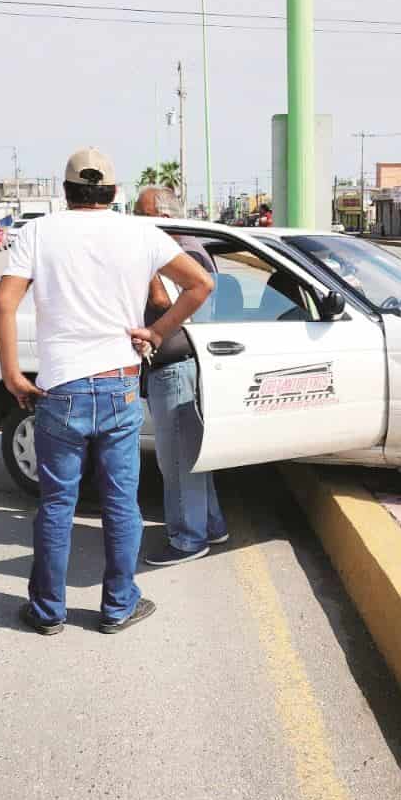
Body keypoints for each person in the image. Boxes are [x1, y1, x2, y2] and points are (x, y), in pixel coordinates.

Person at [0, 148, 213, 636]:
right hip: (120, 385)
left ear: (67, 191)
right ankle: (118, 607)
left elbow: (3, 301)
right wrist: (156, 334)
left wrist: (11, 373)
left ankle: (48, 612)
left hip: (60, 389)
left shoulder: (38, 232)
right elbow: (200, 284)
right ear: (113, 193)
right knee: (121, 502)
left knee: (56, 504)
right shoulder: (140, 232)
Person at [133, 186, 228, 565]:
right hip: (183, 366)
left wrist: (146, 263)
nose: (136, 223)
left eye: (142, 215)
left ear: (163, 217)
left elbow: (163, 304)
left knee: (176, 462)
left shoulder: (180, 255)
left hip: (175, 367)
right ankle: (210, 523)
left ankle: (188, 539)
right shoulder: (190, 249)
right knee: (193, 458)